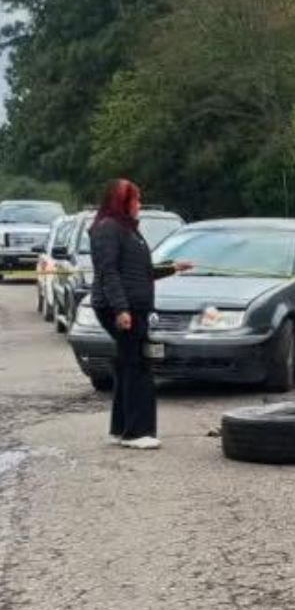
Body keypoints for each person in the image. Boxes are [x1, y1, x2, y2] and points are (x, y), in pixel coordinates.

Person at [90, 179, 192, 450]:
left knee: (127, 364)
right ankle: (137, 432)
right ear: (122, 202)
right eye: (136, 199)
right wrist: (121, 309)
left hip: (135, 306)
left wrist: (172, 268)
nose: (139, 205)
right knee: (139, 365)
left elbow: (138, 272)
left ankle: (121, 428)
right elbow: (108, 272)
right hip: (121, 308)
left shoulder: (128, 230)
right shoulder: (108, 229)